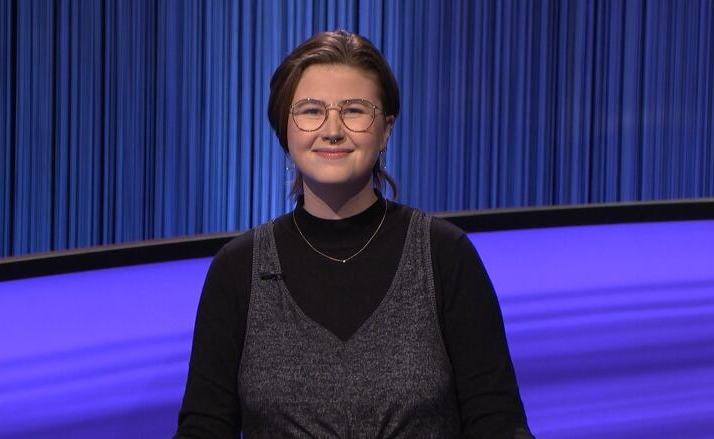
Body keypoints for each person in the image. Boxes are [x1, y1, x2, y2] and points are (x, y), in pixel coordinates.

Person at [175, 30, 533, 438]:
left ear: (386, 130)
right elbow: (205, 429)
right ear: (284, 128)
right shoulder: (237, 269)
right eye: (311, 111)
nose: (332, 130)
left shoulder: (445, 256)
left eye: (355, 111)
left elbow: (499, 424)